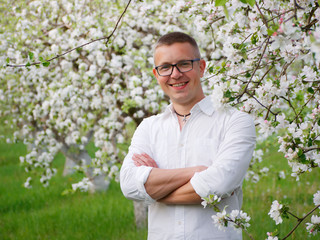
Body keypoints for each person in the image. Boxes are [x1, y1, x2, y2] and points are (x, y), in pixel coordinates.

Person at [120, 32, 256, 240]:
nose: (175, 74)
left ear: (200, 67)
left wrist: (154, 192)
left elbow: (218, 184)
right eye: (165, 67)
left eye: (184, 64)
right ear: (156, 74)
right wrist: (196, 172)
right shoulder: (148, 128)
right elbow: (129, 184)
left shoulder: (235, 121)